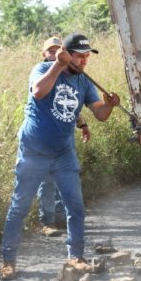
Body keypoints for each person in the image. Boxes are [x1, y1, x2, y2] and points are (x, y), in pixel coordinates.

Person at [0, 33, 120, 280]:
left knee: (75, 206)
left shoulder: (85, 83)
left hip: (64, 153)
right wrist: (58, 65)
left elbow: (100, 114)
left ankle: (75, 257)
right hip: (34, 151)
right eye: (79, 56)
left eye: (87, 57)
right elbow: (38, 92)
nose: (85, 61)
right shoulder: (43, 68)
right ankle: (8, 261)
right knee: (19, 207)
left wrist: (109, 105)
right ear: (66, 54)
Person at [36, 37, 91, 237]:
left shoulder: (68, 74)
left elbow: (70, 103)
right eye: (50, 51)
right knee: (46, 180)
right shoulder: (43, 73)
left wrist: (82, 124)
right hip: (43, 140)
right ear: (44, 55)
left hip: (64, 139)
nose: (53, 55)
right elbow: (39, 95)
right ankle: (47, 221)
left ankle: (62, 217)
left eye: (56, 51)